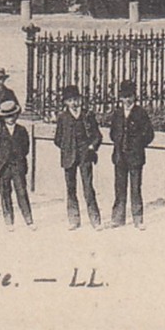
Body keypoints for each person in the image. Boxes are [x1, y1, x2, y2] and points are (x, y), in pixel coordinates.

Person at [54, 84, 104, 230]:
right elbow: (58, 139)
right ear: (65, 102)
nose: (74, 103)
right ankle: (73, 219)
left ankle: (95, 220)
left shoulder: (88, 115)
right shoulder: (62, 117)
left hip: (85, 155)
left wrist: (91, 147)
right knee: (70, 188)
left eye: (76, 99)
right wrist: (67, 148)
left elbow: (97, 136)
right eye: (70, 100)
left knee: (88, 187)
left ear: (80, 99)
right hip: (69, 156)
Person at [108, 79, 155, 230]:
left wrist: (137, 145)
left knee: (135, 188)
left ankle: (138, 218)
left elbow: (149, 134)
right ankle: (118, 218)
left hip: (135, 157)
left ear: (135, 97)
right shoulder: (117, 113)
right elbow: (112, 133)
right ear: (120, 98)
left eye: (130, 96)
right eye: (124, 97)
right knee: (119, 187)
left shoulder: (141, 113)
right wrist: (119, 144)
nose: (127, 100)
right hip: (119, 157)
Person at [0, 98, 34, 230]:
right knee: (5, 193)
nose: (10, 119)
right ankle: (9, 221)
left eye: (12, 116)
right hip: (4, 167)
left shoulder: (21, 130)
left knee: (21, 192)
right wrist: (2, 159)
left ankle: (28, 220)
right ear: (3, 118)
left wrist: (19, 157)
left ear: (16, 115)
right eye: (7, 117)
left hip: (18, 166)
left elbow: (26, 147)